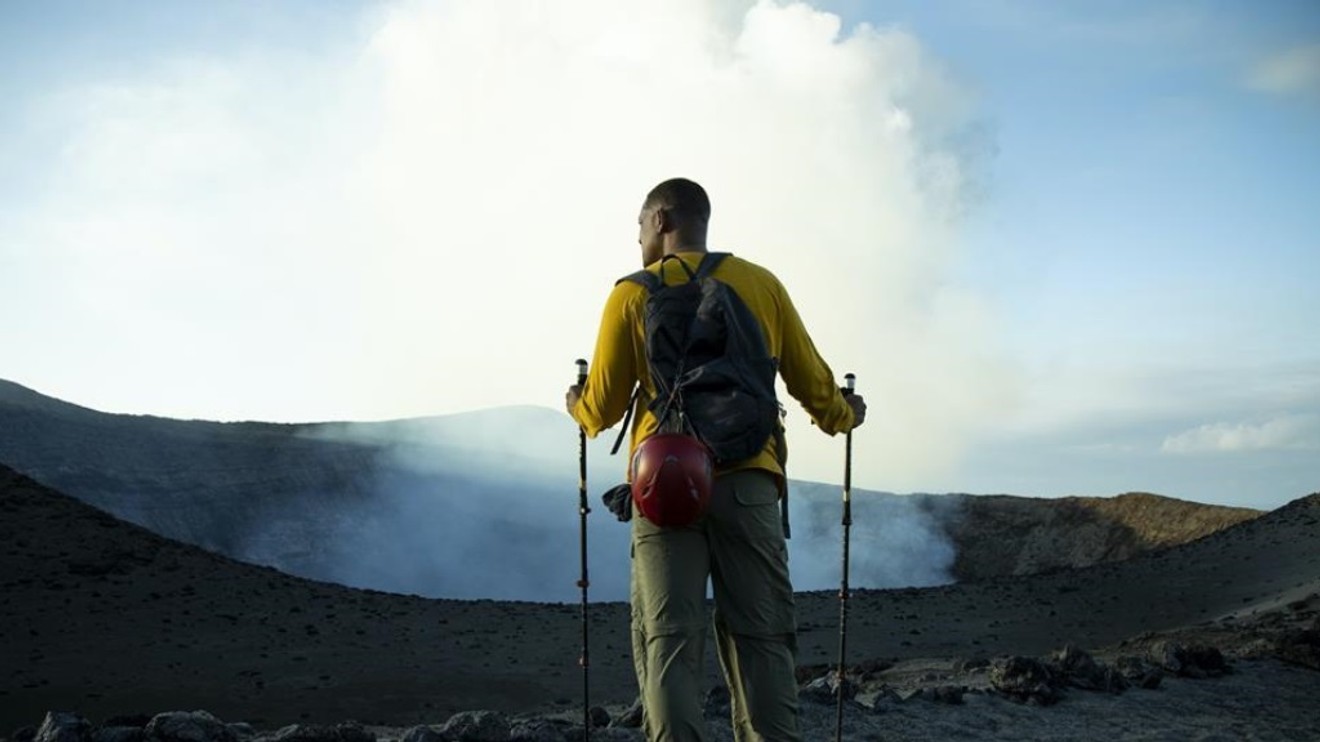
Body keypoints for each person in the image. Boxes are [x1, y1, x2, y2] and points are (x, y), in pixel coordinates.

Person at [566, 178, 866, 741]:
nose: (637, 240)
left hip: (664, 484)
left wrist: (575, 404)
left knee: (669, 639)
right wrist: (844, 414)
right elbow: (810, 381)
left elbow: (600, 409)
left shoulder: (631, 293)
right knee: (763, 637)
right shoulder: (760, 284)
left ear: (660, 221)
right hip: (749, 481)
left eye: (638, 227)